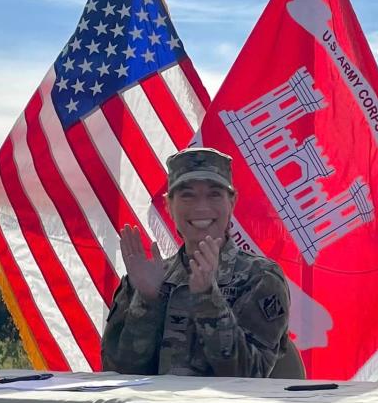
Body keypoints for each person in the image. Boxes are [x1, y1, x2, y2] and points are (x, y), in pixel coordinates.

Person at [102, 147, 290, 377]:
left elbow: (250, 375)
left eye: (214, 194)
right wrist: (147, 301)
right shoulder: (147, 277)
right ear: (169, 206)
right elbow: (117, 374)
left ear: (232, 202)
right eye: (187, 195)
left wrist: (208, 299)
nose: (201, 207)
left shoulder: (260, 278)